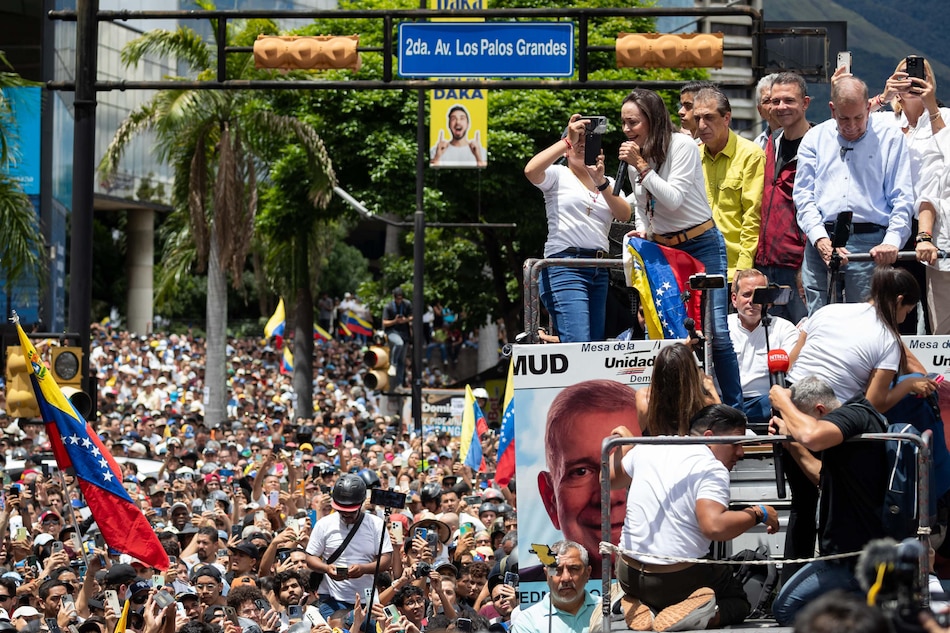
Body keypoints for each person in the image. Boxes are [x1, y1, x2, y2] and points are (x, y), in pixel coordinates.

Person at [782, 267, 935, 577]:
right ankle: (834, 579)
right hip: (830, 422)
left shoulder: (828, 310)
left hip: (789, 408)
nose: (905, 319)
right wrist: (906, 385)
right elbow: (875, 403)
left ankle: (788, 584)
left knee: (802, 504)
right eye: (907, 311)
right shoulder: (888, 339)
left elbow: (793, 359)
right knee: (830, 495)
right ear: (900, 300)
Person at [619, 88, 743, 410]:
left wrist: (642, 166)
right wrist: (644, 228)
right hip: (662, 248)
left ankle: (733, 410)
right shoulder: (637, 157)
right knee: (669, 332)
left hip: (702, 244)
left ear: (653, 119)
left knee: (715, 332)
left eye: (633, 123)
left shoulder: (683, 145)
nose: (627, 130)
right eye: (624, 124)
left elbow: (673, 198)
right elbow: (644, 203)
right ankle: (681, 409)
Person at [609, 404, 778, 631]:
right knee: (738, 602)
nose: (741, 453)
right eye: (736, 443)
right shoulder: (711, 466)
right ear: (709, 437)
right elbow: (714, 527)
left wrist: (626, 447)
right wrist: (760, 512)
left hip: (627, 574)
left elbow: (608, 480)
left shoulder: (649, 447)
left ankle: (639, 604)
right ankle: (700, 616)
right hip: (678, 580)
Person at [768, 376, 893, 625]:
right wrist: (792, 443)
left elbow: (811, 435)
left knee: (787, 609)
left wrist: (783, 403)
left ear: (820, 410)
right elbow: (821, 477)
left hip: (854, 559)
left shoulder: (857, 415)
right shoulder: (847, 433)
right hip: (845, 556)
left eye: (799, 420)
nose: (797, 429)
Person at [794, 75, 915, 313]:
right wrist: (820, 239)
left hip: (870, 240)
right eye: (843, 118)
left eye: (859, 117)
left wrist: (892, 242)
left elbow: (902, 197)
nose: (851, 126)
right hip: (823, 235)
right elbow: (803, 196)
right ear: (832, 109)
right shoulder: (815, 137)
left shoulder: (890, 137)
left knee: (867, 319)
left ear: (869, 106)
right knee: (820, 318)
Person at [524, 114, 632, 343]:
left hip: (598, 267)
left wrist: (600, 180)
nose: (582, 146)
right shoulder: (558, 175)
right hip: (565, 266)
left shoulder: (609, 182)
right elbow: (531, 171)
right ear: (566, 150)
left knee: (593, 344)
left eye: (589, 143)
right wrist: (566, 140)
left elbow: (624, 214)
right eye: (577, 143)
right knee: (578, 341)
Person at [868, 58, 950, 333]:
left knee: (936, 306)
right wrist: (884, 96)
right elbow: (847, 122)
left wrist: (931, 104)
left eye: (919, 76)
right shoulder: (883, 121)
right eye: (904, 76)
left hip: (935, 221)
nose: (912, 82)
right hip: (896, 219)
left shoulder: (944, 117)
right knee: (899, 298)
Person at [537, 379, 640, 580]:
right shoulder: (536, 606)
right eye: (581, 471)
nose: (610, 497)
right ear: (551, 499)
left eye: (631, 464)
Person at [755, 72, 812, 326]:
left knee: (807, 337)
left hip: (800, 264)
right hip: (765, 263)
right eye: (775, 101)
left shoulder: (819, 144)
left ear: (805, 103)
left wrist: (807, 264)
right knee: (771, 340)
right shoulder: (767, 144)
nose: (781, 107)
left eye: (789, 100)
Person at [694, 87, 766, 280]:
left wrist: (743, 267)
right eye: (697, 118)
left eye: (709, 117)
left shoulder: (750, 154)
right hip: (696, 264)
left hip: (734, 268)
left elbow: (753, 216)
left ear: (726, 118)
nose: (701, 126)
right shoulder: (693, 155)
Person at [305, 473, 393, 620]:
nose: (346, 514)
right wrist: (327, 568)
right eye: (341, 510)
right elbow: (310, 557)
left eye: (350, 511)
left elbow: (386, 559)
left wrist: (364, 569)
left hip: (367, 600)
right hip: (332, 599)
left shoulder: (376, 524)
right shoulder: (324, 525)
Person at [727, 269, 800, 428]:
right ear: (734, 299)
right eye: (746, 295)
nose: (752, 301)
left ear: (769, 299)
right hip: (726, 402)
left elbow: (791, 370)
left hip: (766, 402)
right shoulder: (721, 328)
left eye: (758, 295)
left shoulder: (784, 328)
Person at [509, 540, 598, 633]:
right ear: (546, 574)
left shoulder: (607, 611)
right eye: (557, 570)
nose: (566, 578)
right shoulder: (528, 621)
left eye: (574, 569)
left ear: (588, 573)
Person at [636, 342, 718, 437]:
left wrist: (678, 355)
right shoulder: (704, 404)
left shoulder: (644, 400)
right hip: (692, 451)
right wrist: (711, 388)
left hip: (657, 451)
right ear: (692, 373)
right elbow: (723, 426)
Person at [382, 287, 412, 390]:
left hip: (404, 333)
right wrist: (395, 321)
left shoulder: (407, 304)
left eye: (400, 298)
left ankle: (399, 384)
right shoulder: (388, 307)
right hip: (392, 331)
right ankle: (393, 364)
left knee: (402, 361)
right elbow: (384, 322)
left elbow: (413, 316)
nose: (399, 300)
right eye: (397, 298)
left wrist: (405, 320)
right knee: (399, 343)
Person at [753, 74, 781, 150]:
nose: (773, 106)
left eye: (776, 100)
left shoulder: (810, 138)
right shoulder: (758, 145)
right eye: (767, 101)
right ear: (760, 110)